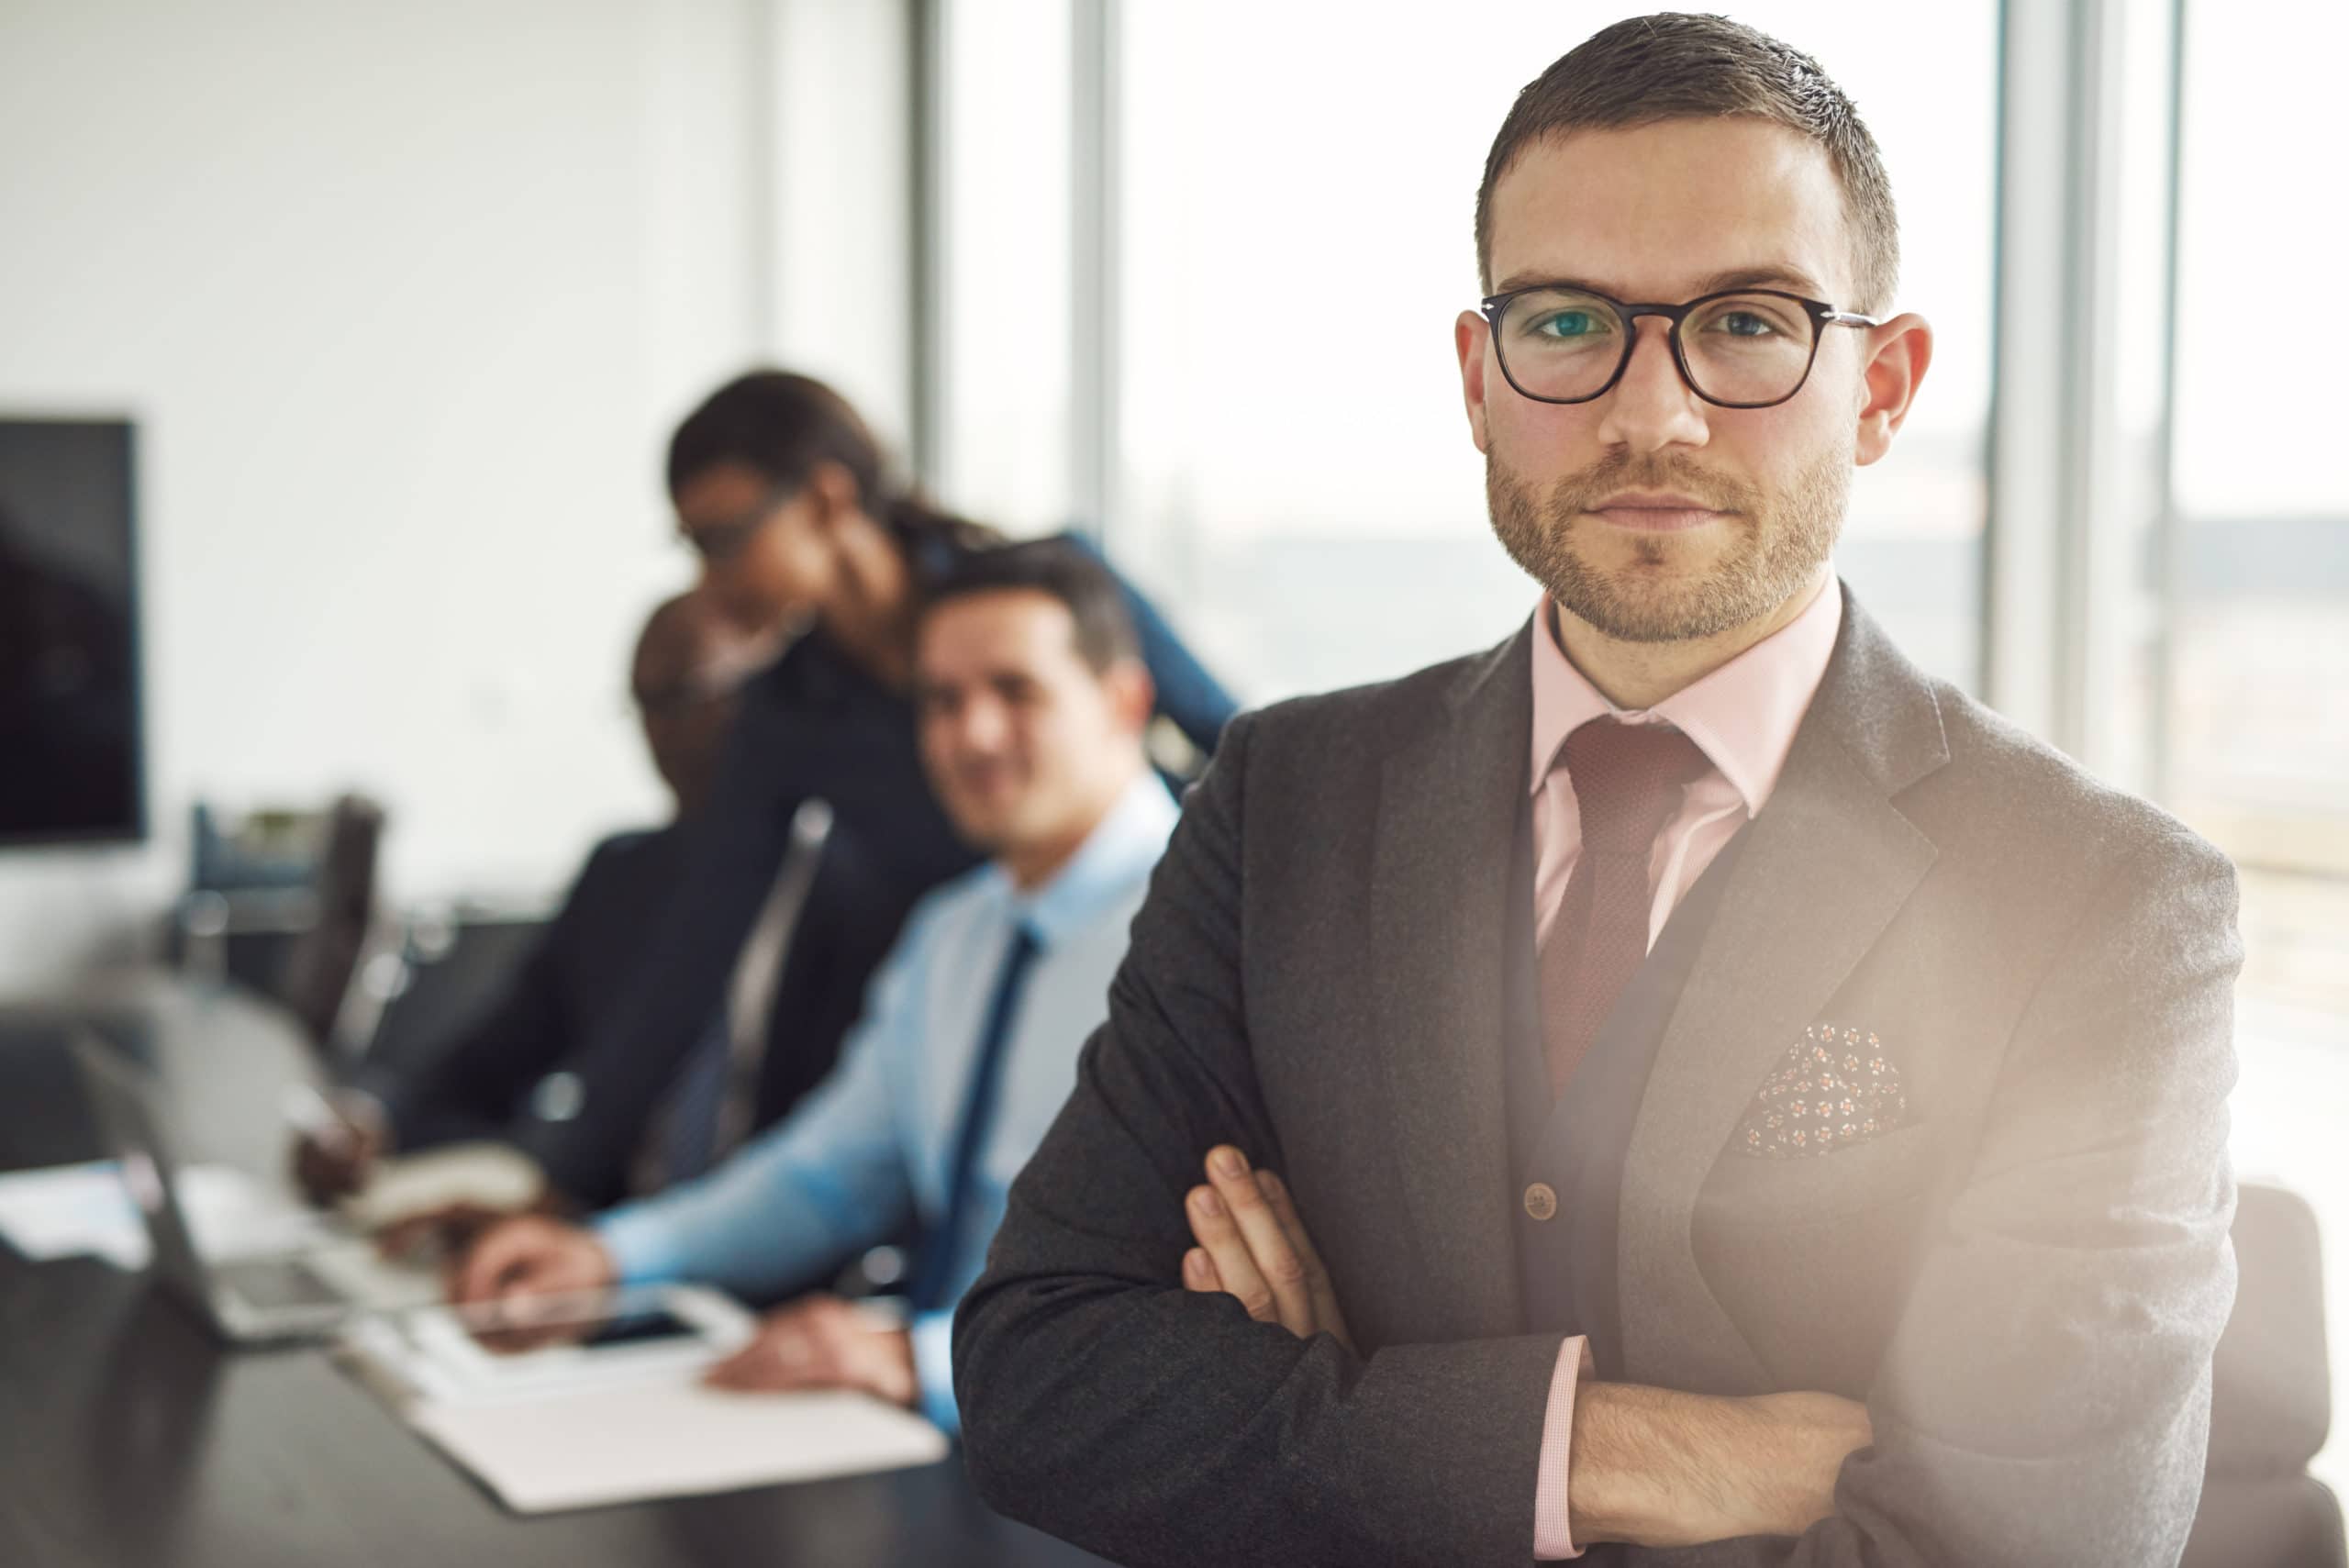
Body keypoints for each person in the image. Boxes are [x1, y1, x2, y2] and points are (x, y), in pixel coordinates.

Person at [953, 16, 2241, 1566]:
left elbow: (2026, 1550)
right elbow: (1040, 1374)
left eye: (1750, 321)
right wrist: (1620, 1447)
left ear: (1884, 387)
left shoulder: (2102, 900)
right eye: (1567, 322)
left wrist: (1334, 1411)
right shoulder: (1285, 799)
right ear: (1478, 379)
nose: (1651, 413)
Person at [451, 539, 1179, 1431]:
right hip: (934, 1439)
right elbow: (825, 1178)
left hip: (1097, 1457)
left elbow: (1199, 1302)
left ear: (1124, 702)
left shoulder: (1211, 941)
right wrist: (609, 1256)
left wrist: (912, 1356)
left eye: (1015, 690)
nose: (972, 733)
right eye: (942, 701)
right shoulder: (956, 934)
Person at [514, 370, 1236, 1207]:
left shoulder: (1040, 593)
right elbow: (696, 945)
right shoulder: (784, 712)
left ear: (825, 500)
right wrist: (560, 1184)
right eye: (941, 700)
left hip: (1134, 975)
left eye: (724, 539)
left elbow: (1243, 758)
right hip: (947, 1037)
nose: (711, 583)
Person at [291, 589, 896, 1217]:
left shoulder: (862, 893)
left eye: (684, 697)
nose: (662, 733)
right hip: (604, 1243)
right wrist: (373, 1118)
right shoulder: (622, 875)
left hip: (779, 1258)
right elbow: (492, 1056)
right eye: (644, 706)